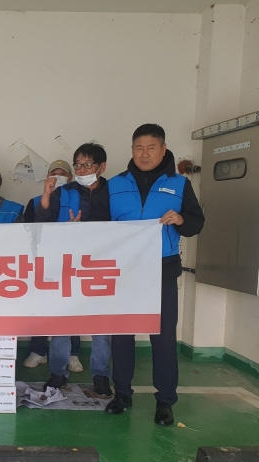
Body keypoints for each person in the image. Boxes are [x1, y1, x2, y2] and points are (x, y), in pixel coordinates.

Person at [106, 124, 204, 426]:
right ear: (132, 150)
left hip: (161, 271)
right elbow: (98, 225)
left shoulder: (179, 184)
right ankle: (122, 394)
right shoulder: (115, 184)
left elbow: (196, 223)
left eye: (151, 147)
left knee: (163, 339)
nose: (144, 153)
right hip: (123, 272)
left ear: (163, 149)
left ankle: (165, 401)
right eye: (139, 148)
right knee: (121, 337)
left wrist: (181, 219)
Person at [33, 143, 113, 397]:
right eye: (78, 165)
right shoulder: (64, 192)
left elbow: (126, 223)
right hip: (67, 267)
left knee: (101, 326)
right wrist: (47, 196)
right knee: (62, 323)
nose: (81, 170)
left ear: (102, 167)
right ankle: (58, 373)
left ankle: (101, 376)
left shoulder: (114, 192)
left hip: (101, 266)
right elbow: (42, 222)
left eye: (87, 165)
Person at [23, 160, 82, 371]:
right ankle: (38, 351)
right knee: (42, 307)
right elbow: (28, 233)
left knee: (70, 308)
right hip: (44, 263)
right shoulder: (35, 201)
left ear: (71, 177)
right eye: (53, 173)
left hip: (72, 263)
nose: (58, 177)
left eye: (62, 173)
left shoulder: (81, 198)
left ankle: (73, 353)